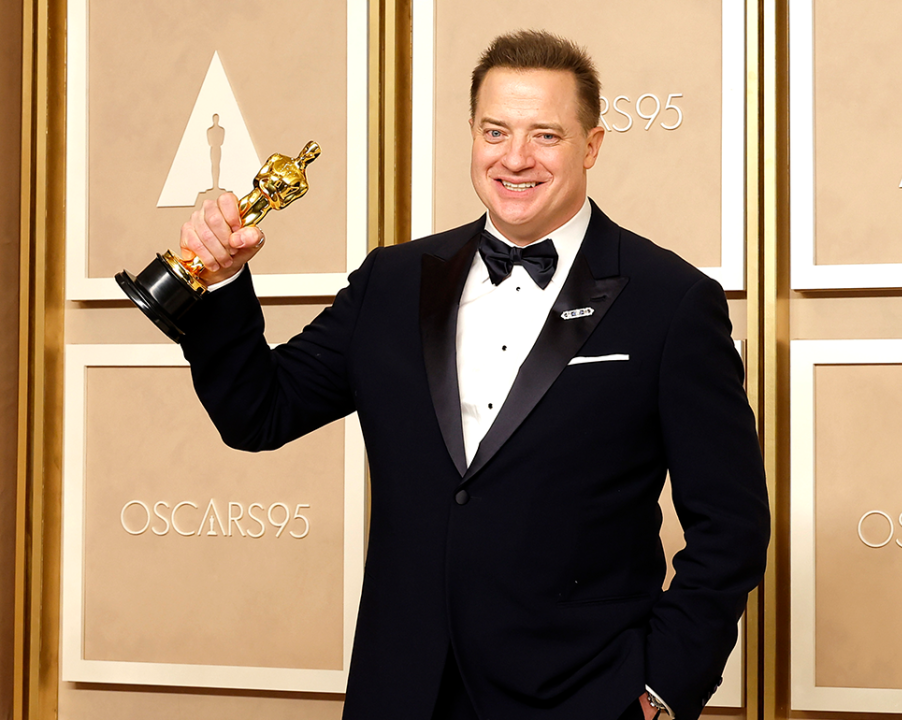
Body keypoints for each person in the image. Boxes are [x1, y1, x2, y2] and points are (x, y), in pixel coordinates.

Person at [176, 29, 769, 720]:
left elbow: (732, 526)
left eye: (545, 134)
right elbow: (258, 412)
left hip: (581, 697)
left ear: (592, 145)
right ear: (471, 135)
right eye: (496, 131)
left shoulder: (670, 301)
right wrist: (220, 284)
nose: (515, 158)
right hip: (400, 692)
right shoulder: (391, 283)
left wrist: (661, 688)